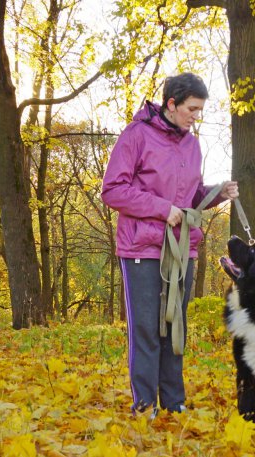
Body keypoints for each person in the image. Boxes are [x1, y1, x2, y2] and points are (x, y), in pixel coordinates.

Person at [101, 72, 238, 417]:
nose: (195, 116)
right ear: (172, 104)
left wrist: (216, 194)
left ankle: (174, 404)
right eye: (191, 108)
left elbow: (191, 198)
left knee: (175, 326)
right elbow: (113, 191)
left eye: (200, 110)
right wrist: (163, 210)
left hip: (182, 249)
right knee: (147, 328)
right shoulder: (136, 135)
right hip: (142, 249)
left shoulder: (192, 145)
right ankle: (145, 406)